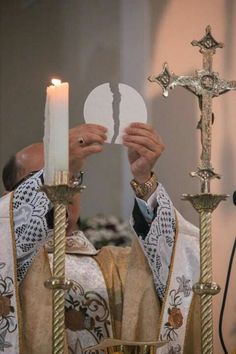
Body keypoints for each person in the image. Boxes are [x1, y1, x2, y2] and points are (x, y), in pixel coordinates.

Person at [0, 123, 200, 354]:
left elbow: (178, 266)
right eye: (46, 176)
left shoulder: (119, 266)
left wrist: (144, 180)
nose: (62, 185)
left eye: (70, 175)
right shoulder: (8, 257)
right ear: (10, 197)